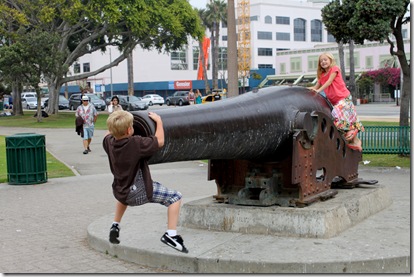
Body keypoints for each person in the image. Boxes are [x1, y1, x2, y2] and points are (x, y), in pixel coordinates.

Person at [102, 110, 188, 253]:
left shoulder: (109, 142)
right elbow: (159, 141)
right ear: (130, 129)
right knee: (175, 197)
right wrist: (159, 122)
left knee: (124, 196)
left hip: (121, 190)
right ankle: (171, 235)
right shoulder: (135, 143)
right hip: (140, 192)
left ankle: (115, 225)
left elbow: (107, 134)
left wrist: (116, 120)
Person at [308, 52, 364, 151]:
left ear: (331, 60)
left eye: (325, 60)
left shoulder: (334, 69)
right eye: (321, 61)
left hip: (343, 97)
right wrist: (305, 90)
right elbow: (315, 87)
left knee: (336, 114)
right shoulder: (321, 75)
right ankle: (355, 140)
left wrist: (318, 90)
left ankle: (353, 131)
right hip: (335, 102)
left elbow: (329, 82)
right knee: (337, 119)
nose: (323, 62)